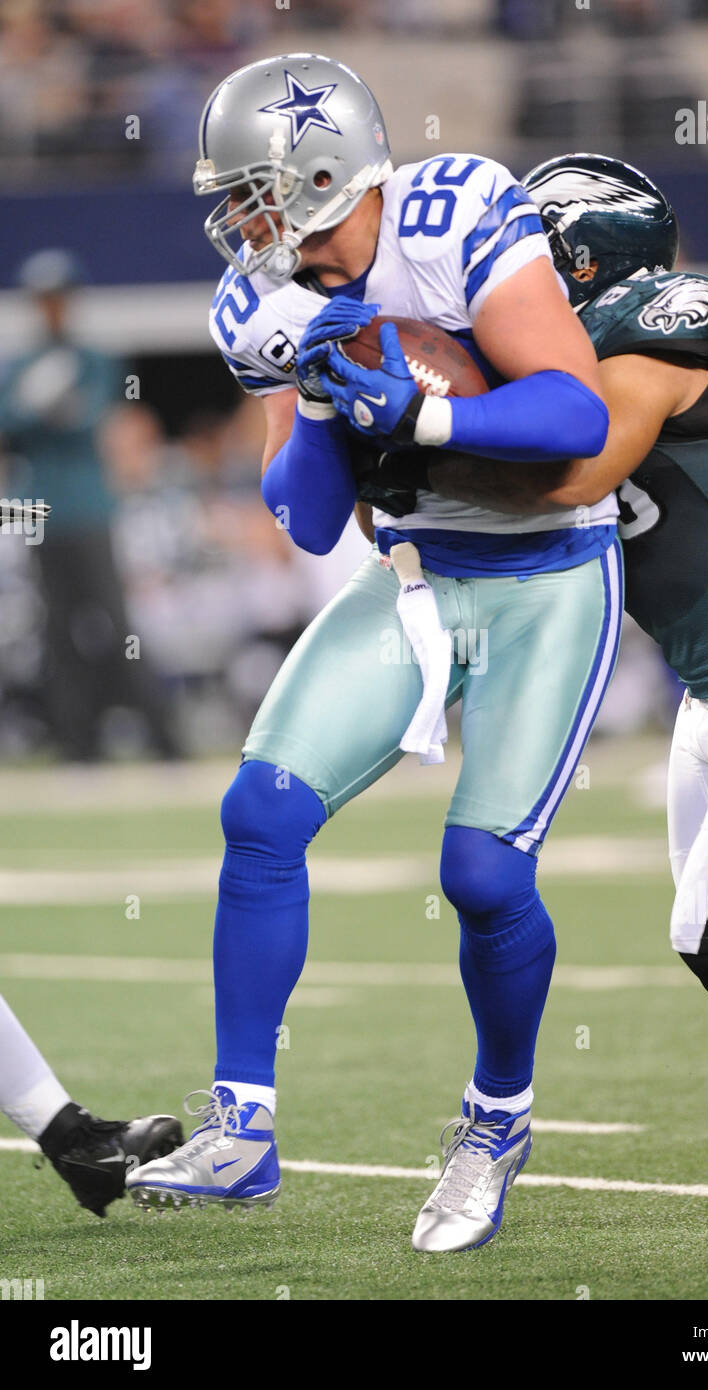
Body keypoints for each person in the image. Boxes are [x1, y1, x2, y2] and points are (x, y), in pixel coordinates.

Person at [127, 53, 620, 1252]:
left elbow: (577, 411)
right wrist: (315, 386)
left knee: (485, 877)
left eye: (251, 190)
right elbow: (299, 515)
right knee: (261, 808)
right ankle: (242, 1125)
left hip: (548, 574)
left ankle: (496, 1120)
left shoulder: (453, 217)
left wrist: (419, 412)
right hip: (411, 577)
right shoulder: (270, 301)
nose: (236, 219)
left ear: (322, 170)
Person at [411, 153, 708, 1226]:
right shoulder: (552, 355)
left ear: (576, 253)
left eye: (529, 247)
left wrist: (423, 435)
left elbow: (576, 476)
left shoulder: (665, 314)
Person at [0, 249, 180, 761]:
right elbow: (8, 421)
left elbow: (90, 416)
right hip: (35, 506)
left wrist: (42, 410)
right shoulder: (20, 363)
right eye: (44, 300)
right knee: (54, 626)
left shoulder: (96, 359)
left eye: (59, 298)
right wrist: (43, 408)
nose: (52, 308)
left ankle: (161, 736)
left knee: (116, 621)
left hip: (89, 503)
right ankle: (76, 742)